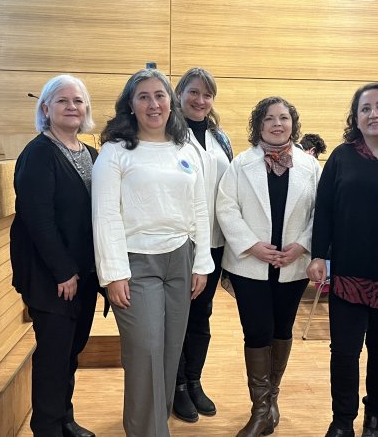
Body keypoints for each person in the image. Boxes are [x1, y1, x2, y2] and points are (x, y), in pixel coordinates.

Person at [91, 68, 214, 437]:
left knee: (169, 352)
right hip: (134, 262)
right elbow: (105, 215)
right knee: (144, 352)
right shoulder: (114, 153)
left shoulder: (185, 148)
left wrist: (203, 261)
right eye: (143, 96)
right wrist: (113, 273)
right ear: (131, 105)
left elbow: (199, 209)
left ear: (170, 102)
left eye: (159, 95)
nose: (153, 103)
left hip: (181, 258)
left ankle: (153, 424)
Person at [307, 83, 378, 437]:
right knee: (344, 352)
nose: (373, 114)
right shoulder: (342, 155)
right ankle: (342, 421)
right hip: (349, 271)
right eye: (365, 108)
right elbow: (324, 211)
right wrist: (319, 254)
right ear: (356, 117)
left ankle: (374, 418)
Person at [217, 97, 320, 437]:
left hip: (292, 265)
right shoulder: (240, 164)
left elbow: (322, 212)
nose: (278, 124)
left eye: (284, 118)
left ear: (293, 124)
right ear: (258, 126)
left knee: (282, 330)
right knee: (257, 331)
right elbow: (226, 209)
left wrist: (302, 244)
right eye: (270, 119)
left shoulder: (310, 166)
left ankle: (271, 400)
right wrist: (251, 245)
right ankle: (260, 409)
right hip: (250, 266)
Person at [10, 74, 99, 437]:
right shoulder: (38, 154)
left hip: (84, 275)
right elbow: (38, 220)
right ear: (45, 108)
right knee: (52, 356)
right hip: (53, 277)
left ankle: (65, 418)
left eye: (78, 101)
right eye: (62, 101)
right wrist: (63, 271)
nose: (72, 107)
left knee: (71, 351)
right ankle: (46, 428)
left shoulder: (91, 153)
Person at [171, 67, 234, 423]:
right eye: (193, 92)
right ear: (180, 94)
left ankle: (194, 381)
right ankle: (177, 386)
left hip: (215, 242)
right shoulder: (168, 135)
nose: (200, 100)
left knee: (202, 315)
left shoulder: (219, 137)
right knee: (178, 316)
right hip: (181, 243)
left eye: (207, 94)